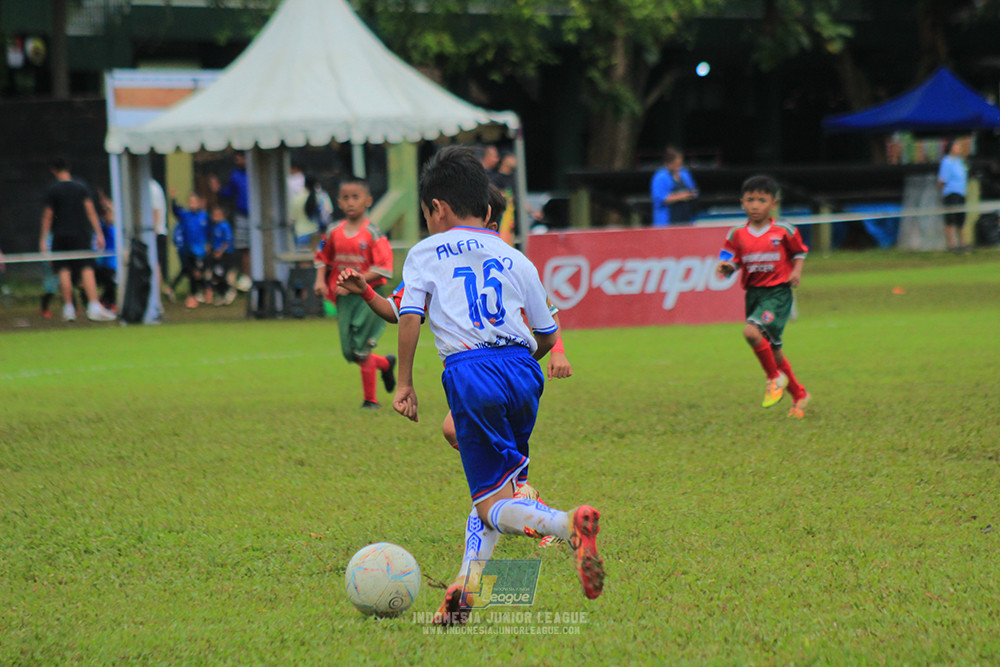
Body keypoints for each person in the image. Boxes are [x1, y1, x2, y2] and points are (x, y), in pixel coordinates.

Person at [392, 146, 604, 626]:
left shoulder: (425, 252)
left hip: (471, 373)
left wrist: (404, 382)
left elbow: (409, 316)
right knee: (493, 488)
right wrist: (516, 370)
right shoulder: (514, 256)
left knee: (493, 506)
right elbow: (547, 334)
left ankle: (566, 523)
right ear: (486, 210)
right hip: (523, 371)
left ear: (436, 209)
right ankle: (466, 589)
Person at [716, 175, 811, 417]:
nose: (755, 205)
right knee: (774, 352)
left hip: (777, 294)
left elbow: (799, 252)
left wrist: (796, 272)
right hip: (754, 295)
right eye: (750, 200)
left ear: (773, 204)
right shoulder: (736, 233)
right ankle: (799, 394)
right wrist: (726, 268)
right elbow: (730, 260)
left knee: (750, 332)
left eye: (761, 200)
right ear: (742, 203)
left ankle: (773, 379)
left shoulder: (784, 230)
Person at [312, 176, 396, 409]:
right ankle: (385, 365)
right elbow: (321, 256)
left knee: (360, 347)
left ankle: (370, 400)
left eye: (355, 197)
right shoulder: (331, 232)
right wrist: (320, 280)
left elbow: (384, 268)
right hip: (343, 298)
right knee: (349, 352)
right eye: (346, 197)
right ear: (339, 201)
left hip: (369, 298)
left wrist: (356, 281)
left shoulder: (373, 233)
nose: (350, 202)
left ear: (368, 200)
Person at [38, 157, 116, 322]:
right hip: (81, 234)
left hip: (60, 235)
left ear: (53, 169)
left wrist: (44, 238)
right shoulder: (81, 186)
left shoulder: (52, 189)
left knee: (63, 269)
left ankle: (69, 308)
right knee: (86, 268)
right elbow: (90, 211)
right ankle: (94, 306)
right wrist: (98, 233)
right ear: (69, 167)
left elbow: (48, 215)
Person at [211, 152, 251, 289]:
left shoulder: (254, 173)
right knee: (244, 249)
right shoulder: (235, 175)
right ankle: (248, 280)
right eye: (237, 158)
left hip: (256, 215)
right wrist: (219, 190)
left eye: (240, 158)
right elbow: (229, 192)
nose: (238, 161)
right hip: (242, 215)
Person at [170, 189, 210, 309]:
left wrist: (208, 244)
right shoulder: (185, 215)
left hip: (200, 250)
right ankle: (193, 296)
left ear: (199, 203)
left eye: (195, 202)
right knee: (192, 273)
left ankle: (207, 289)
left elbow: (209, 231)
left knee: (198, 273)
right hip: (188, 249)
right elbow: (175, 211)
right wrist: (173, 200)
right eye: (191, 202)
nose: (193, 204)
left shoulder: (204, 216)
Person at [651, 146, 699, 226]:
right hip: (668, 222)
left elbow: (693, 190)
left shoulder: (684, 174)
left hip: (685, 219)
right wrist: (680, 196)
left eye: (680, 163)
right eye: (676, 164)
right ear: (669, 163)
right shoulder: (660, 177)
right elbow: (660, 199)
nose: (679, 167)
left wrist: (692, 194)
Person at [938, 136, 970, 252]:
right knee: (950, 219)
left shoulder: (959, 162)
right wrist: (940, 194)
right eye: (956, 146)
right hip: (951, 193)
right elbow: (941, 181)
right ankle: (951, 245)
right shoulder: (947, 162)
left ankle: (962, 243)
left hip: (961, 193)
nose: (958, 148)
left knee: (961, 219)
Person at [207, 205, 237, 305]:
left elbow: (228, 241)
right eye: (214, 214)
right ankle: (222, 294)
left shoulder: (225, 226)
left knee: (222, 274)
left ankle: (230, 291)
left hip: (225, 255)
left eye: (217, 215)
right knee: (216, 275)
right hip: (216, 254)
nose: (215, 216)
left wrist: (220, 251)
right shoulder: (214, 226)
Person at [149, 179, 171, 300]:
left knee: (155, 265)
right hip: (155, 234)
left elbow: (155, 212)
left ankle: (156, 300)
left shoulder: (152, 188)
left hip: (156, 234)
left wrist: (152, 234)